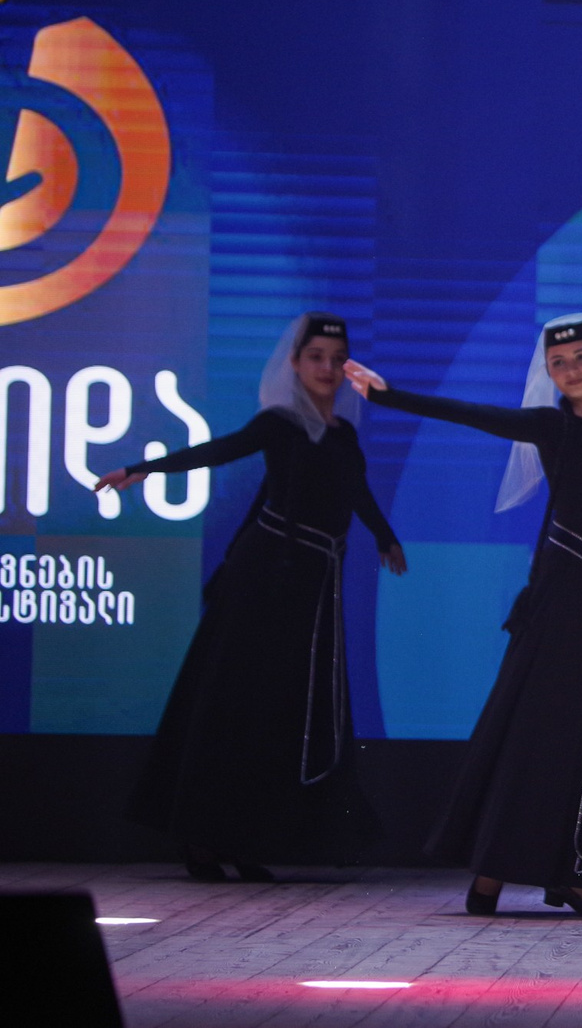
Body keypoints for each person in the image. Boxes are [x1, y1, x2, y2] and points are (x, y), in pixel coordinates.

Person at [343, 313, 582, 917]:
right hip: (566, 598)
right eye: (558, 363)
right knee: (544, 734)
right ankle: (493, 874)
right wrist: (388, 395)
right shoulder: (553, 426)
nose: (571, 370)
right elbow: (471, 414)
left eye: (581, 357)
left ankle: (572, 872)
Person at [98, 313, 405, 882]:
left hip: (313, 585)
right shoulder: (279, 424)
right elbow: (221, 451)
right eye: (316, 357)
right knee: (237, 702)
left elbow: (355, 489)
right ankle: (202, 838)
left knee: (281, 712)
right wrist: (144, 469)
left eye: (337, 359)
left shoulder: (342, 434)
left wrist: (385, 536)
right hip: (266, 578)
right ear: (295, 363)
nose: (327, 368)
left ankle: (245, 837)